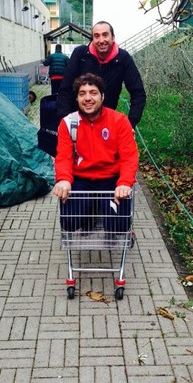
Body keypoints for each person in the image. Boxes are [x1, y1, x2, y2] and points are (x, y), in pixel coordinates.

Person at [52, 73, 139, 232]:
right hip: (81, 179)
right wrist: (63, 179)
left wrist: (125, 182)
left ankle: (102, 209)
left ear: (102, 96)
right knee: (69, 224)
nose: (87, 98)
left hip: (111, 179)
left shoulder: (119, 121)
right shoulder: (68, 123)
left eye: (93, 92)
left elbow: (129, 156)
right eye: (82, 93)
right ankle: (90, 209)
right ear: (77, 99)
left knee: (118, 227)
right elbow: (63, 156)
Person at [57, 21, 146, 128]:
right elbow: (65, 89)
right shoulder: (80, 55)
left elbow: (138, 93)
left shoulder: (123, 58)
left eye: (105, 35)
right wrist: (65, 122)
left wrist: (130, 124)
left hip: (106, 123)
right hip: (78, 121)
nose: (101, 40)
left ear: (113, 38)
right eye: (97, 36)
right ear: (92, 39)